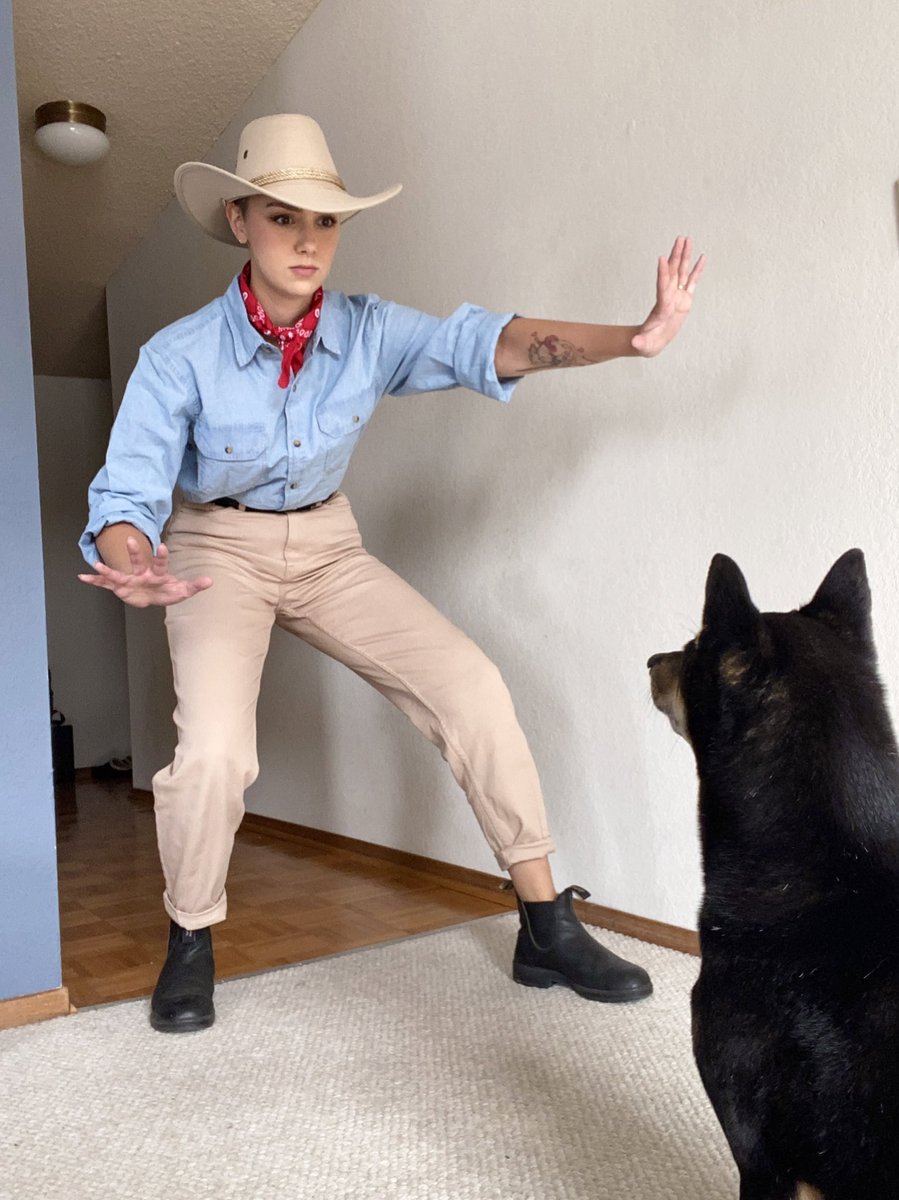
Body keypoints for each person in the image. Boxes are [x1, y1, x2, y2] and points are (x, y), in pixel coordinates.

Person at [79, 114, 704, 1033]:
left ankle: (543, 924)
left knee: (471, 686)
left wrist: (633, 339)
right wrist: (130, 559)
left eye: (325, 221)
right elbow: (127, 495)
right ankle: (191, 936)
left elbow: (492, 342)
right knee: (214, 754)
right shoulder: (178, 356)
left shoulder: (369, 330)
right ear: (240, 222)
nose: (307, 241)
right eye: (283, 217)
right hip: (215, 551)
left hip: (327, 546)